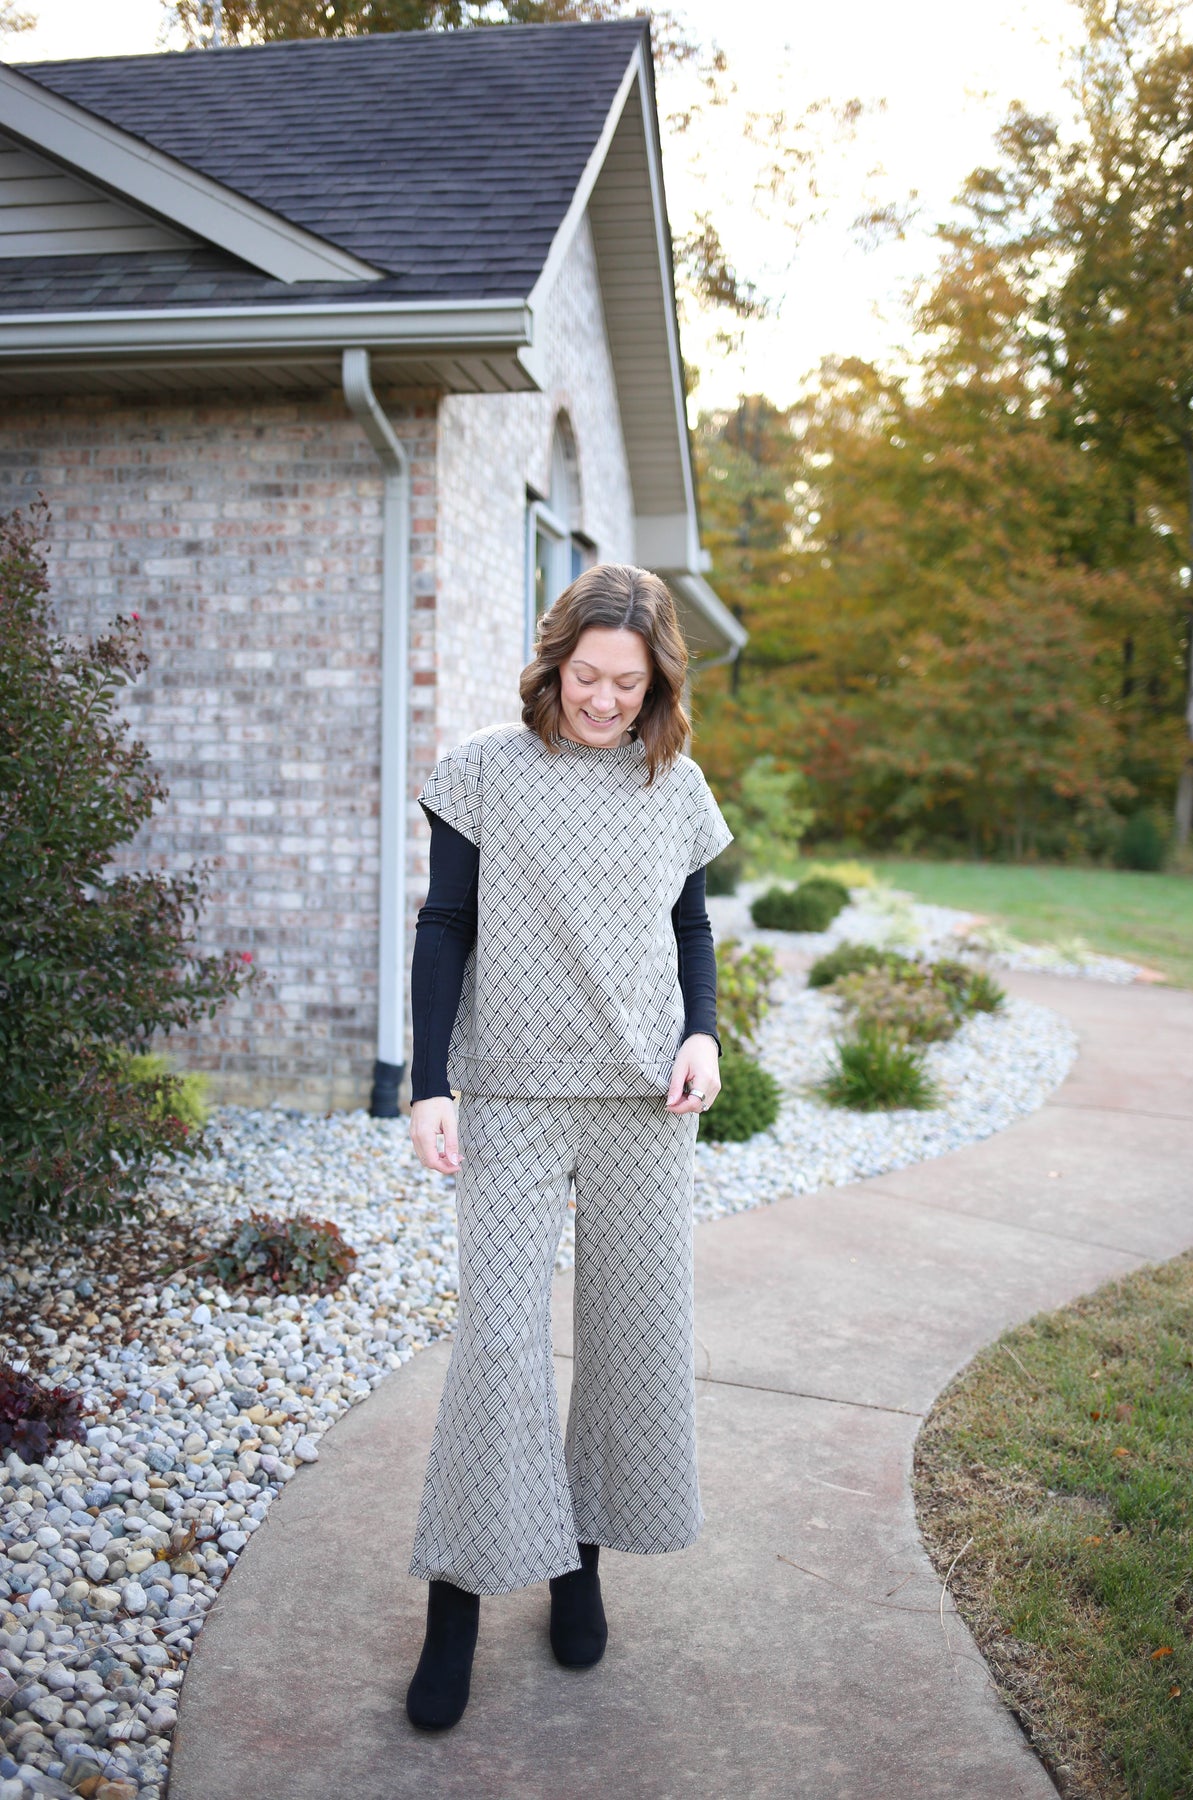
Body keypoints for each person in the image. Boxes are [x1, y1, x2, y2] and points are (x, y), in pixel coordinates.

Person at [404, 563, 734, 1731]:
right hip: (512, 1092)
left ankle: (577, 1566)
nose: (603, 700)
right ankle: (456, 1606)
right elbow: (446, 923)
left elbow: (692, 930)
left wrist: (702, 1032)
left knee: (629, 1341)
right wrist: (429, 1084)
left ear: (659, 687)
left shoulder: (673, 783)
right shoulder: (485, 771)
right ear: (555, 666)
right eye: (588, 676)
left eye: (627, 684)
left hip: (645, 1100)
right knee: (497, 1347)